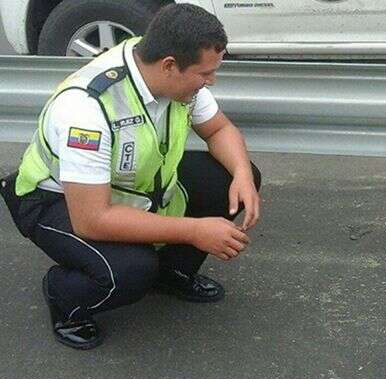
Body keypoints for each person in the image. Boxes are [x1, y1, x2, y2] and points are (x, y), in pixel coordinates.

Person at [0, 4, 261, 350]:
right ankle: (66, 297)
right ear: (169, 65)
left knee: (230, 180)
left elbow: (219, 130)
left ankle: (170, 273)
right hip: (56, 200)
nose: (211, 81)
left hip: (129, 186)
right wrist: (196, 231)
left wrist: (242, 172)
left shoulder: (167, 67)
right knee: (131, 269)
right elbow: (92, 219)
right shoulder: (87, 110)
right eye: (205, 74)